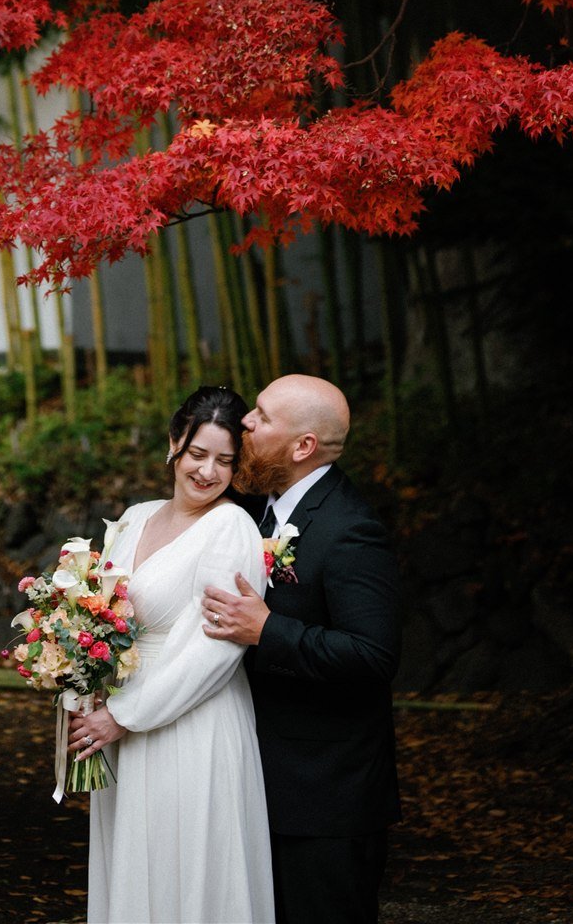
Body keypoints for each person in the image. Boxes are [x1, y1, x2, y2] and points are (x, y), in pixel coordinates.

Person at [202, 373, 401, 924]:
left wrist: (269, 631)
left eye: (261, 416)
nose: (245, 421)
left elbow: (374, 655)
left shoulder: (350, 530)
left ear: (303, 447)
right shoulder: (257, 509)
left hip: (325, 798)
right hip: (258, 779)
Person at [73, 383, 274, 924]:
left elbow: (212, 650)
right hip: (121, 712)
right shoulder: (136, 517)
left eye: (225, 461)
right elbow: (101, 613)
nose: (208, 472)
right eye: (198, 453)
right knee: (135, 860)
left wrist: (123, 716)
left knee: (188, 860)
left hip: (192, 718)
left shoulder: (232, 527)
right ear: (174, 445)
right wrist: (81, 678)